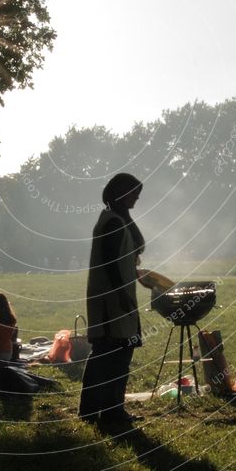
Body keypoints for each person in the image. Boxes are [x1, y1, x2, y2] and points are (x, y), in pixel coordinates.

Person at [79, 173, 145, 425]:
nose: (137, 198)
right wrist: (121, 296)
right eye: (133, 193)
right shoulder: (113, 223)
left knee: (116, 354)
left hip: (120, 298)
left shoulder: (117, 219)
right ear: (121, 193)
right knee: (109, 355)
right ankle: (105, 411)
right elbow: (110, 265)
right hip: (112, 302)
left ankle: (109, 409)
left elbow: (123, 258)